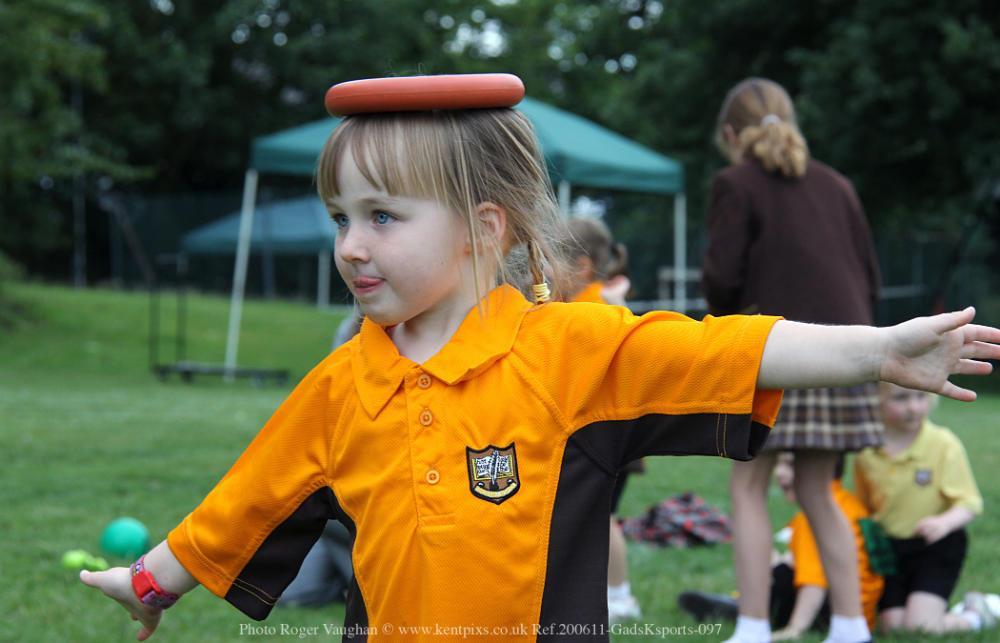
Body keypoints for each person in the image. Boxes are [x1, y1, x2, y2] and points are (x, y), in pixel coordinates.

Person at [79, 73, 1000, 643]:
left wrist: (878, 347)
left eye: (383, 217)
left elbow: (728, 342)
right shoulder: (340, 383)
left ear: (486, 228)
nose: (351, 246)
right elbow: (245, 501)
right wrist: (151, 578)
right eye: (341, 219)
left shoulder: (568, 349)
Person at [702, 77, 884, 643]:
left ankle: (753, 627)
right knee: (816, 490)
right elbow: (870, 279)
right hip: (849, 353)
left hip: (777, 350)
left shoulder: (735, 183)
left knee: (748, 488)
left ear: (730, 134)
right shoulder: (839, 186)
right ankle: (851, 628)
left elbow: (722, 280)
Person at [677, 453, 883, 640]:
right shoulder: (847, 503)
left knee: (779, 571)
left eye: (790, 465)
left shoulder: (813, 520)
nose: (779, 473)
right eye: (779, 464)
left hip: (825, 610)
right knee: (782, 563)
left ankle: (747, 615)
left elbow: (815, 582)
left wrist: (795, 628)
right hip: (860, 610)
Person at [854, 383, 997, 634]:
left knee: (922, 627)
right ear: (875, 401)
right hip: (891, 550)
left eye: (921, 397)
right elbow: (865, 507)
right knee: (892, 627)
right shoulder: (866, 452)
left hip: (937, 546)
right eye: (901, 398)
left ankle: (978, 613)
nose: (914, 407)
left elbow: (969, 503)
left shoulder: (943, 444)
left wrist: (944, 523)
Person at [562, 217, 640, 622]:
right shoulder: (600, 299)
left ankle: (621, 596)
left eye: (550, 260)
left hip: (605, 434)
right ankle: (613, 593)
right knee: (599, 517)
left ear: (580, 266)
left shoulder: (588, 307)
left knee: (602, 517)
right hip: (611, 434)